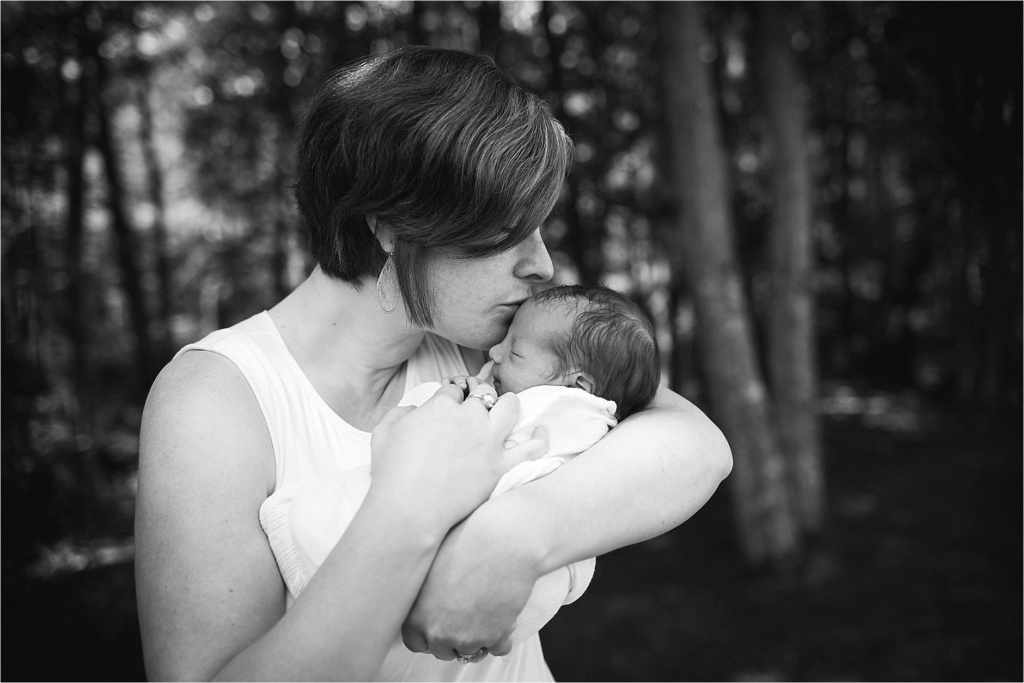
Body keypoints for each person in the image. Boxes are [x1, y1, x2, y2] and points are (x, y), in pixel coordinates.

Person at [134, 45, 732, 682]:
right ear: (391, 227)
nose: (542, 265)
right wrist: (406, 514)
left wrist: (519, 533)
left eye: (539, 228)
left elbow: (698, 445)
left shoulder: (494, 338)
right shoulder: (216, 399)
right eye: (504, 234)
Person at [260, 284, 659, 669]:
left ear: (578, 385)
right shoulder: (588, 406)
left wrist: (443, 402)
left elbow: (448, 445)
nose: (495, 352)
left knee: (319, 523)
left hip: (494, 581)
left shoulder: (558, 411)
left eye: (515, 352)